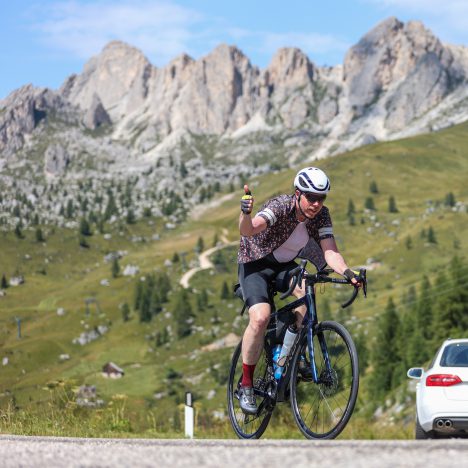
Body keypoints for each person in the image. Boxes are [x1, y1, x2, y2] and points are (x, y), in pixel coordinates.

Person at [237, 167, 361, 415]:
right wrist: (245, 213)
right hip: (256, 264)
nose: (316, 203)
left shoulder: (322, 216)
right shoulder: (281, 206)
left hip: (284, 265)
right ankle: (246, 384)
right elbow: (248, 230)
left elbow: (330, 251)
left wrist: (348, 273)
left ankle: (290, 353)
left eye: (321, 198)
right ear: (297, 194)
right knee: (260, 317)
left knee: (306, 297)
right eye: (311, 197)